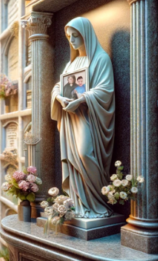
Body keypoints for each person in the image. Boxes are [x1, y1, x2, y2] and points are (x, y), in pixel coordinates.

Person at [51, 17, 115, 218]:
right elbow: (58, 86)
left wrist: (81, 100)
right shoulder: (74, 63)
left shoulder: (100, 59)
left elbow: (105, 90)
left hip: (88, 117)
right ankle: (79, 203)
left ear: (86, 34)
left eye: (75, 36)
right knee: (73, 158)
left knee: (85, 152)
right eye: (69, 37)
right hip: (71, 118)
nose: (72, 40)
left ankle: (97, 201)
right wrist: (60, 98)